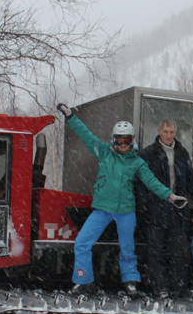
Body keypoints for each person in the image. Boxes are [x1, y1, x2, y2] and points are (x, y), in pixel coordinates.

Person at [57, 104, 186, 295]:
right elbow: (86, 135)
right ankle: (84, 281)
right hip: (102, 209)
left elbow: (152, 182)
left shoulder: (137, 162)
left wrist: (170, 196)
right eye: (119, 140)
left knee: (127, 249)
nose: (123, 144)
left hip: (126, 211)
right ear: (114, 139)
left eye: (126, 140)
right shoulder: (104, 153)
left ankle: (130, 282)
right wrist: (70, 117)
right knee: (82, 243)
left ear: (132, 139)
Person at [136, 119, 193, 298]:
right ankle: (159, 288)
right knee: (156, 250)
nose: (169, 135)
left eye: (172, 132)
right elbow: (141, 181)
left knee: (180, 250)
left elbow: (190, 177)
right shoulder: (148, 154)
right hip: (156, 207)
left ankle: (179, 286)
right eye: (166, 131)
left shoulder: (181, 152)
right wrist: (143, 203)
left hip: (178, 207)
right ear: (159, 131)